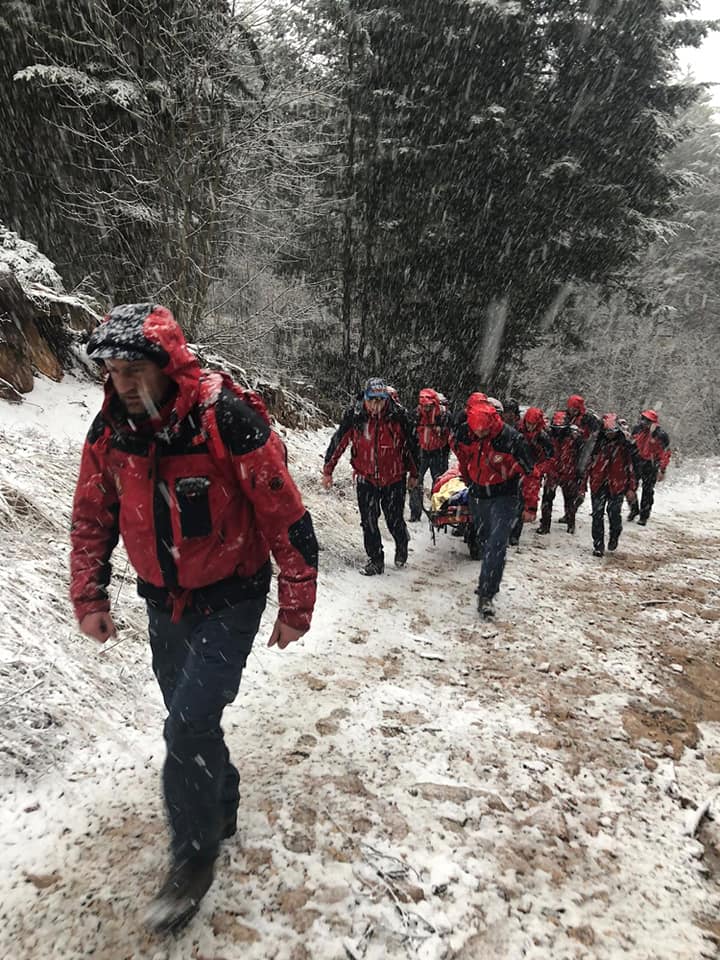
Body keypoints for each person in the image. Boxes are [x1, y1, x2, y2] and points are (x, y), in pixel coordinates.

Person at [70, 303, 318, 933]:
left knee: (185, 727)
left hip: (232, 597)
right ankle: (221, 802)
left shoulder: (222, 420)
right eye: (113, 369)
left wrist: (296, 602)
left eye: (134, 369)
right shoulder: (111, 431)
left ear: (165, 366)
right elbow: (92, 517)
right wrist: (90, 596)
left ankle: (192, 858)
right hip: (162, 601)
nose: (122, 382)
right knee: (191, 721)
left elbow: (284, 514)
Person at [322, 377, 419, 575]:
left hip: (394, 478)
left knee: (394, 519)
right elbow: (338, 442)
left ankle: (402, 541)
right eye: (372, 400)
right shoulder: (356, 415)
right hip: (366, 477)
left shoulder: (398, 416)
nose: (376, 405)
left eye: (380, 400)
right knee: (368, 520)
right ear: (365, 398)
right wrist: (328, 470)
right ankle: (376, 559)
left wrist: (414, 474)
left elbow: (412, 447)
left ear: (386, 399)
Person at [452, 393, 535, 618]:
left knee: (496, 545)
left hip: (504, 496)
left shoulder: (511, 440)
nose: (478, 434)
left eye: (482, 431)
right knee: (483, 539)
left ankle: (487, 594)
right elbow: (462, 455)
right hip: (478, 494)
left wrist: (530, 506)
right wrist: (467, 477)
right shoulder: (466, 433)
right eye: (475, 431)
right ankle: (487, 580)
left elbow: (530, 473)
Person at [587, 413, 637, 556]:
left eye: (612, 432)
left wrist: (631, 487)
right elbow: (586, 463)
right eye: (607, 432)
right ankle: (598, 545)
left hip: (617, 484)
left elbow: (630, 467)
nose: (610, 435)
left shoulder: (624, 445)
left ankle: (614, 535)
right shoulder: (596, 442)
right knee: (597, 514)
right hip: (598, 483)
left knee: (614, 513)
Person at [509, 406, 553, 545]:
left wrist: (539, 469)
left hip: (532, 471)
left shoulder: (543, 437)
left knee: (522, 502)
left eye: (533, 424)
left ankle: (514, 534)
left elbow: (550, 458)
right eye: (528, 423)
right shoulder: (516, 430)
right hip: (515, 468)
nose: (530, 426)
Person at [408, 388, 451, 522]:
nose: (426, 408)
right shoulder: (416, 414)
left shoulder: (443, 415)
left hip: (438, 452)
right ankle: (415, 512)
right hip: (421, 451)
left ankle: (437, 511)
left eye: (428, 406)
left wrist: (442, 429)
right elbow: (410, 431)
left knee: (439, 482)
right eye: (423, 406)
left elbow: (452, 432)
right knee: (415, 481)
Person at [538, 411, 584, 534]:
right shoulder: (549, 435)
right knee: (547, 499)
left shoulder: (574, 437)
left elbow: (580, 454)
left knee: (569, 500)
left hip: (568, 472)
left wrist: (579, 472)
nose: (558, 431)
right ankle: (545, 524)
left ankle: (570, 523)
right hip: (554, 470)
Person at [628, 409, 671, 526]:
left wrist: (662, 469)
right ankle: (634, 508)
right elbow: (631, 444)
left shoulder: (661, 435)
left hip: (651, 464)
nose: (644, 422)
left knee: (647, 491)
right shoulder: (637, 429)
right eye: (643, 419)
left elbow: (665, 453)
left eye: (647, 420)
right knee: (630, 487)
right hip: (637, 461)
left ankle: (644, 516)